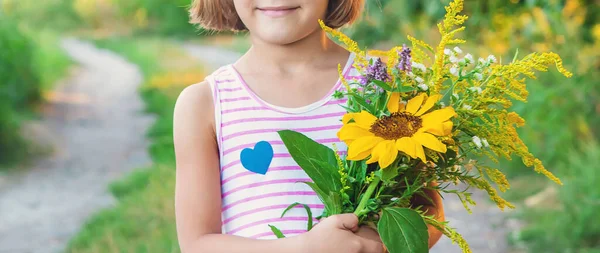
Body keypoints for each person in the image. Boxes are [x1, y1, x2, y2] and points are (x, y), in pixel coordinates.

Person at [173, 1, 445, 252]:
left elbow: (429, 211)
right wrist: (305, 248)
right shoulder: (204, 103)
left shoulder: (385, 85)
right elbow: (197, 244)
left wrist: (382, 244)